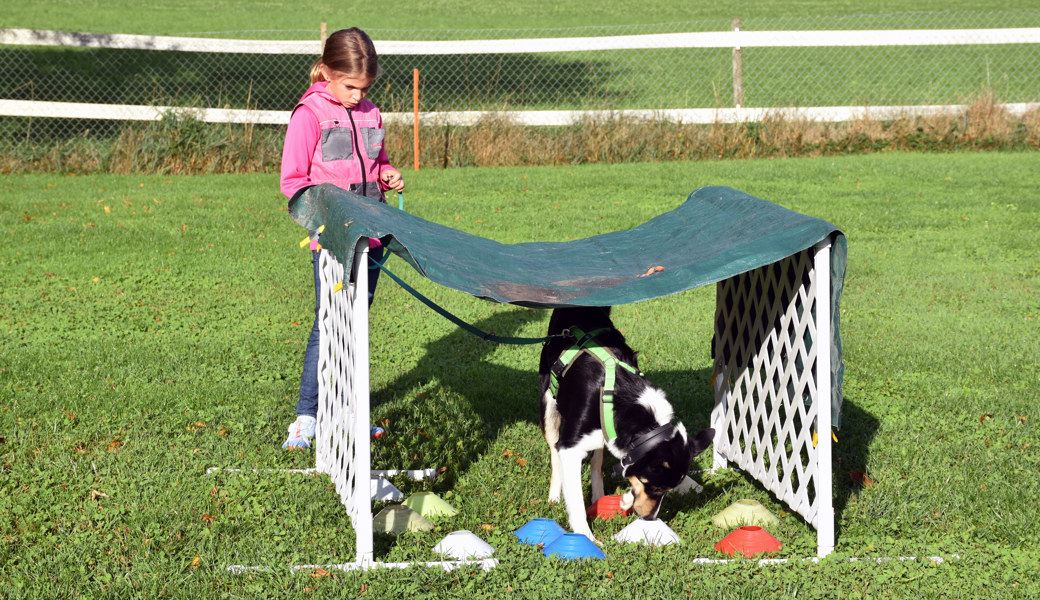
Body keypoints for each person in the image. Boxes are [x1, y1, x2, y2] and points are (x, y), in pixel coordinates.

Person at [279, 27, 405, 449]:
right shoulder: (309, 115)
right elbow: (293, 181)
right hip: (333, 241)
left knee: (356, 326)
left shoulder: (372, 113)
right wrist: (323, 221)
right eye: (350, 86)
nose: (357, 95)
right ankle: (307, 417)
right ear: (327, 72)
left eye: (364, 87)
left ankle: (352, 412)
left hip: (372, 238)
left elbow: (377, 162)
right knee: (328, 323)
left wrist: (387, 174)